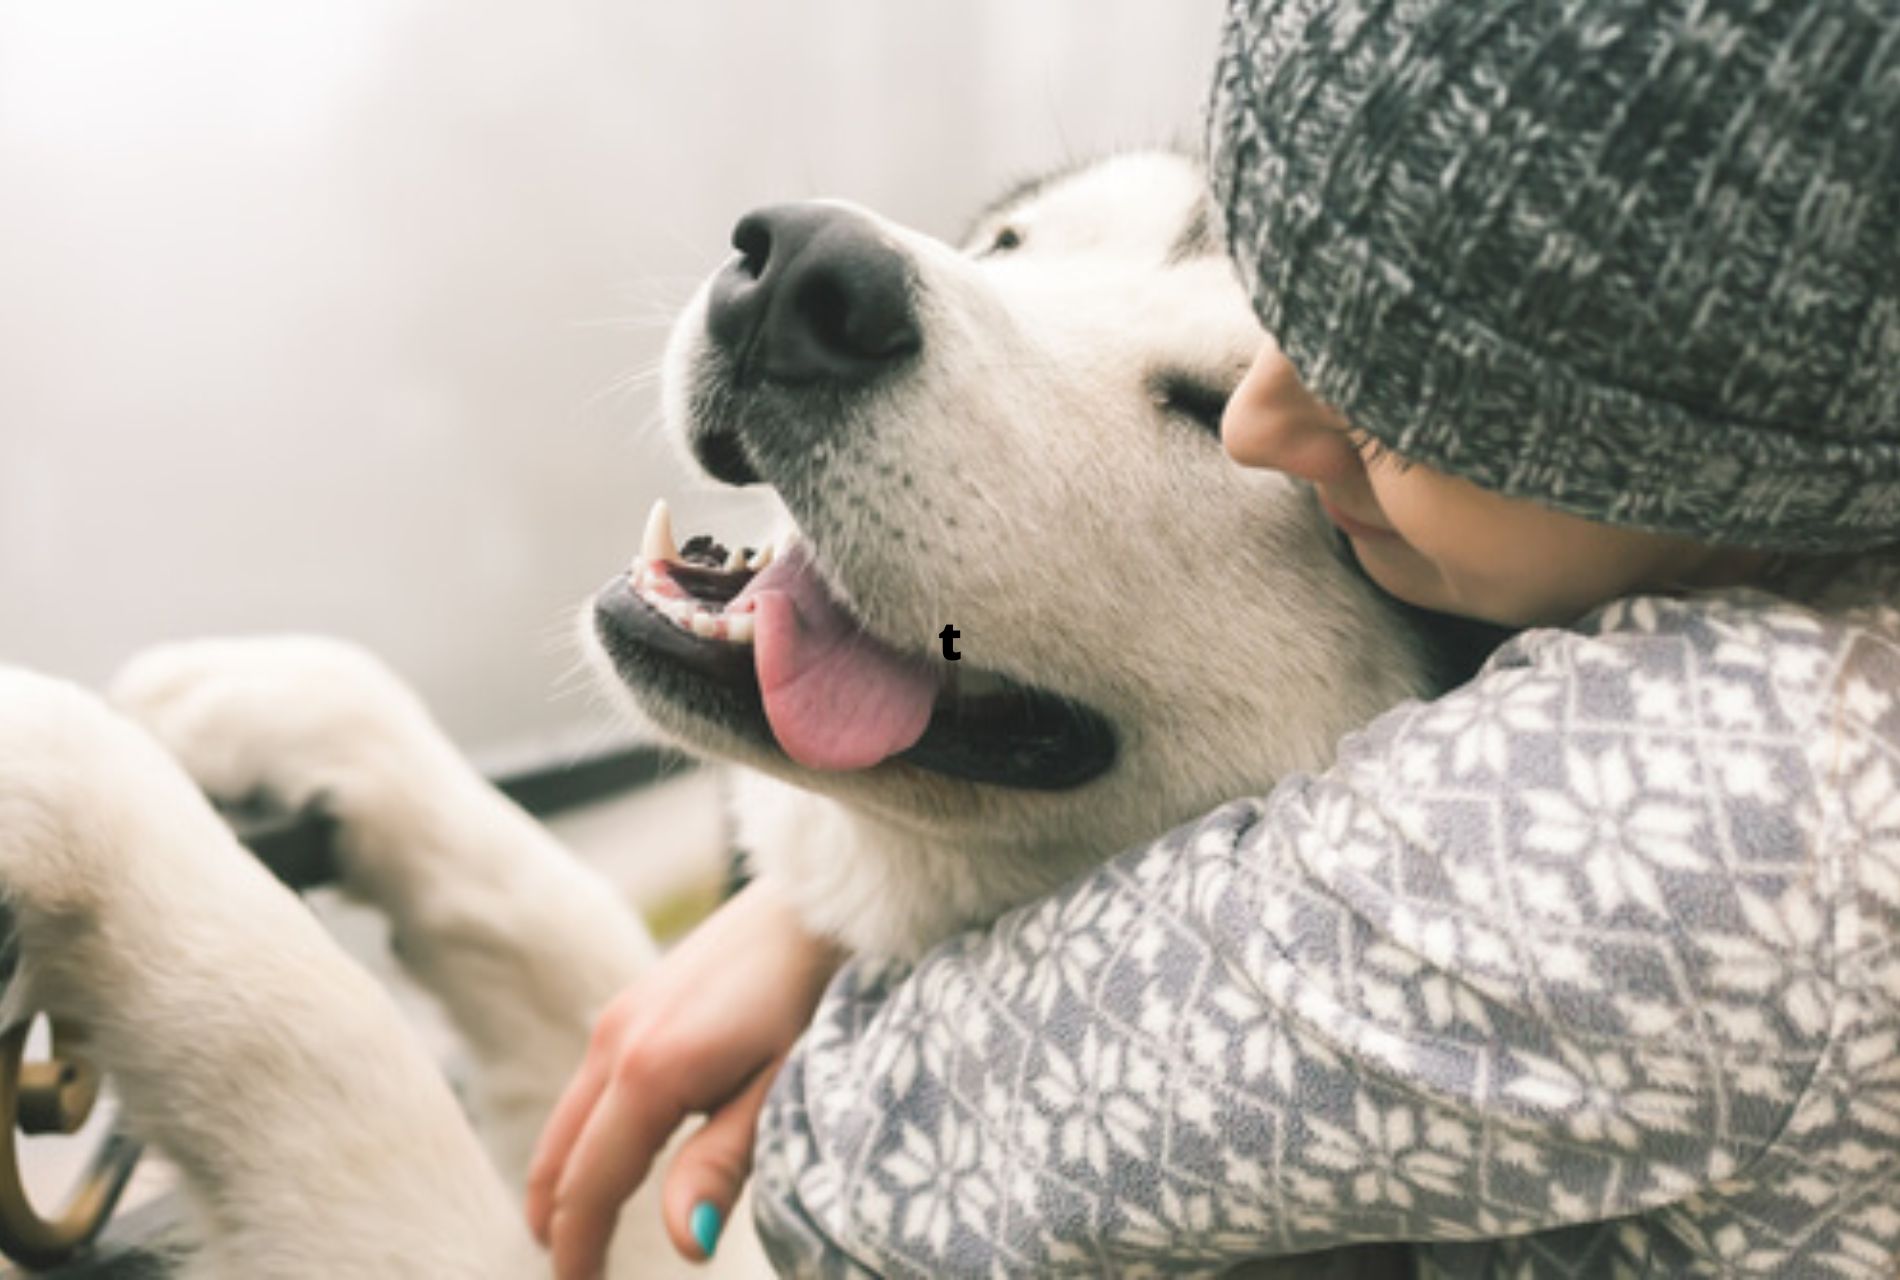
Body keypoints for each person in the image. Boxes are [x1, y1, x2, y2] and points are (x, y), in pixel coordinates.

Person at [528, 0, 1900, 1274]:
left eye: (1399, 392)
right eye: (1014, 241)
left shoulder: (1731, 815)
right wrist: (826, 905)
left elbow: (847, 1180)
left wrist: (844, 938)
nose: (1266, 423)